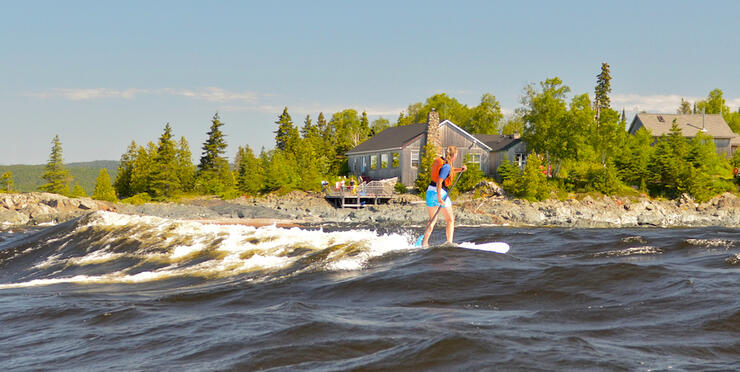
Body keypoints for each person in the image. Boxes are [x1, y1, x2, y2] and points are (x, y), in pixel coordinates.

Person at [422, 145, 466, 247]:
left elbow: (448, 171)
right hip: (439, 192)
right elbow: (439, 182)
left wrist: (460, 169)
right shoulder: (446, 166)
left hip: (429, 192)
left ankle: (424, 242)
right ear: (453, 155)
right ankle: (449, 243)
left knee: (433, 219)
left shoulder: (443, 163)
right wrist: (439, 197)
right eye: (456, 155)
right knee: (450, 220)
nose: (456, 157)